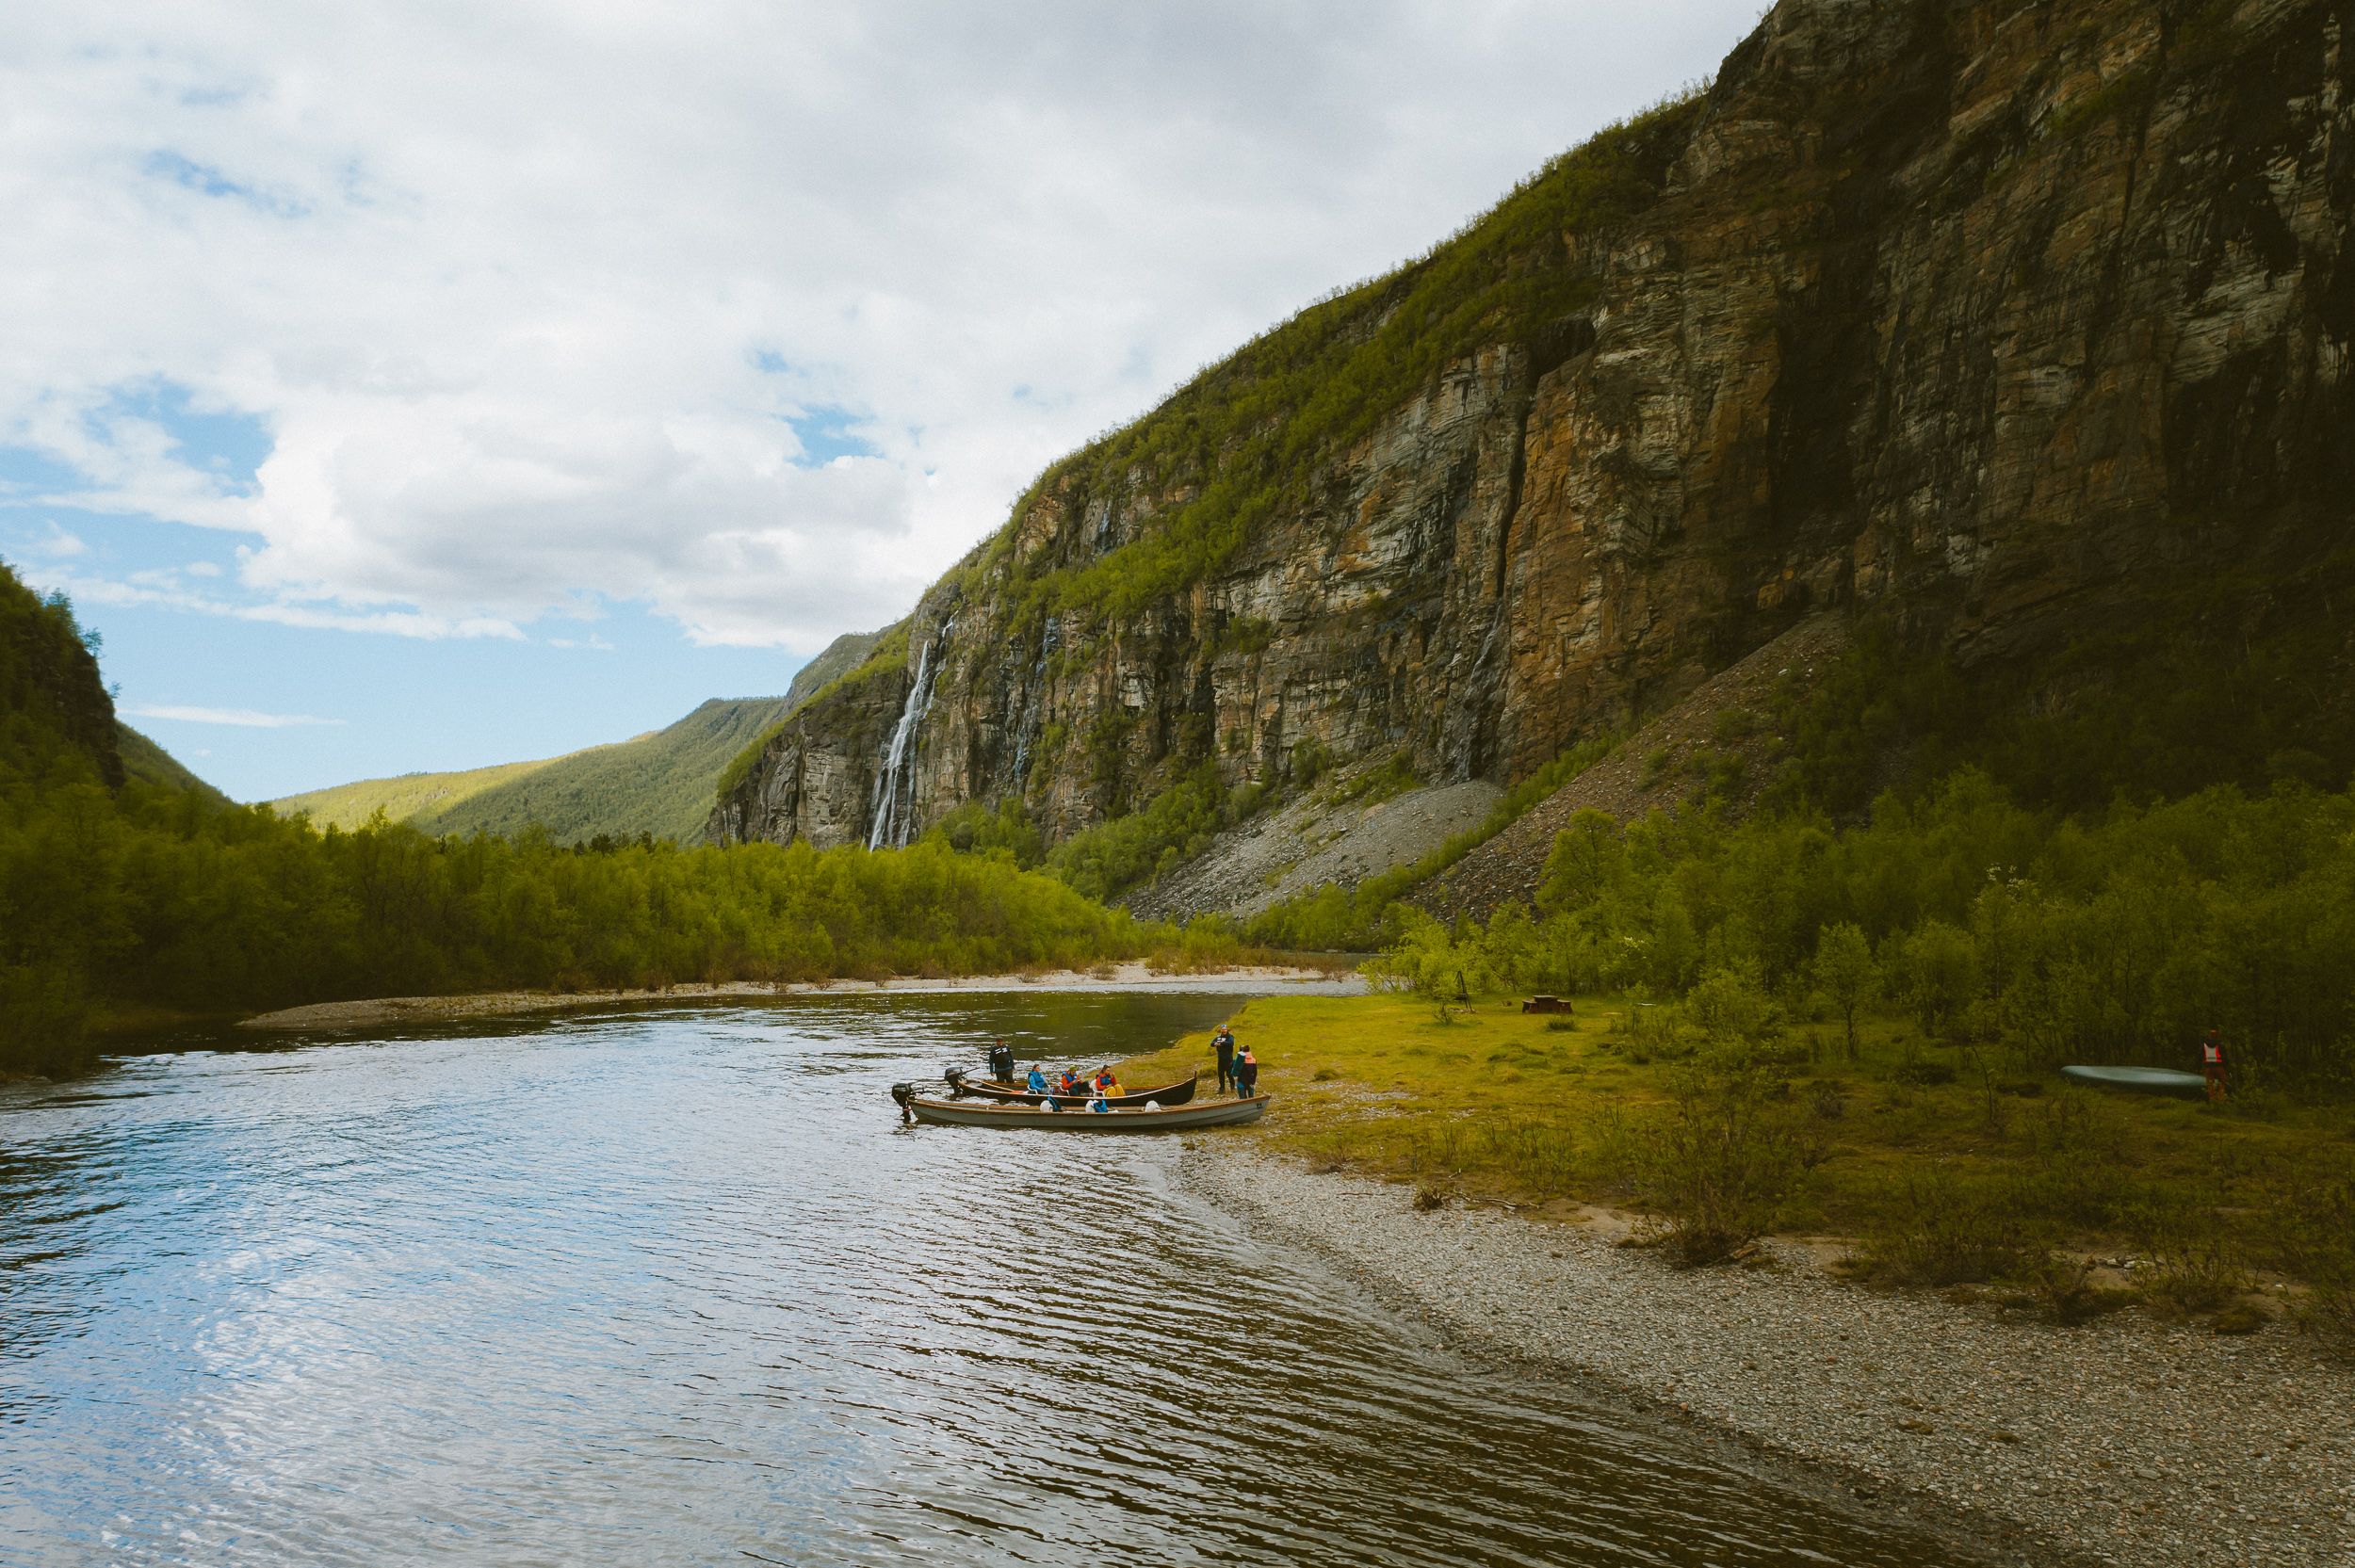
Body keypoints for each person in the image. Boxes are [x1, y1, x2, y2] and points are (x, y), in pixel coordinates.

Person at [2201, 1027, 2228, 1103]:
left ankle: (2212, 1100)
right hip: (2219, 1066)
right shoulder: (2220, 1044)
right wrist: (2226, 1068)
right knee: (2222, 1083)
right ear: (2217, 1035)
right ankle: (2221, 1100)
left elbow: (2200, 1056)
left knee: (2210, 1085)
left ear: (2209, 1035)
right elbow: (2225, 1057)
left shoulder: (2204, 1045)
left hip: (2208, 1067)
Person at [1213, 1024, 1236, 1093]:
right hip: (1220, 1058)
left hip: (1228, 1058)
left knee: (1229, 1073)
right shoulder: (1218, 1037)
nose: (1224, 1031)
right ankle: (1222, 1088)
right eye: (1223, 1029)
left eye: (1225, 1029)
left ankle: (1232, 1086)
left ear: (1227, 1030)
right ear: (1221, 1030)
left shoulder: (1230, 1037)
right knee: (1220, 1073)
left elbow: (1231, 1043)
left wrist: (1221, 1043)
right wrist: (1215, 1044)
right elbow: (1212, 1043)